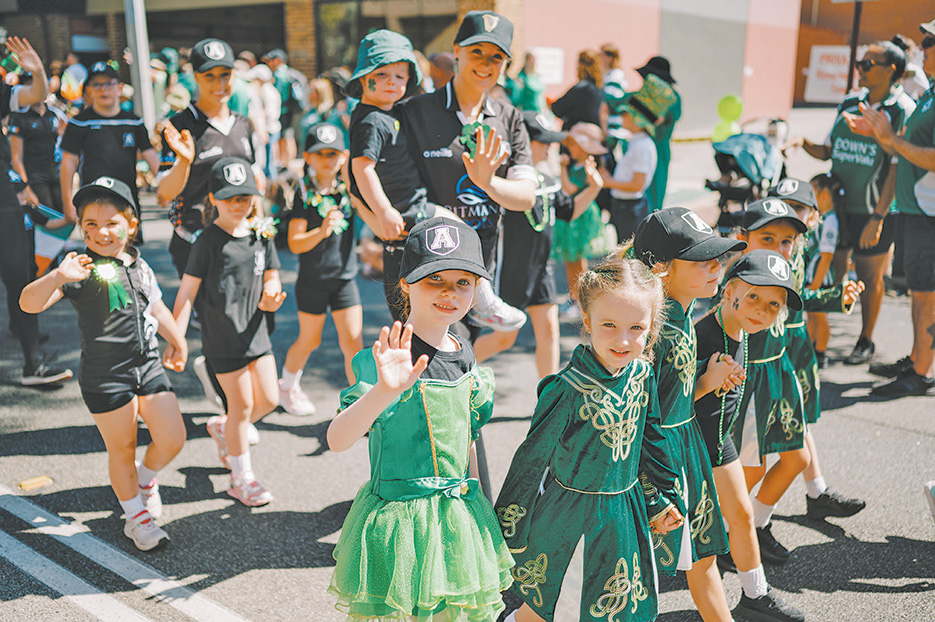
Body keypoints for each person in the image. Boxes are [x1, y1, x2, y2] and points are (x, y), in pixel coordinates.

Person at [327, 217, 513, 620]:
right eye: (434, 279)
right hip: (401, 525)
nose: (450, 292)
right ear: (406, 284)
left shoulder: (463, 350)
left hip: (457, 518)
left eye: (463, 282)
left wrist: (480, 506)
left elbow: (466, 437)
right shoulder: (388, 358)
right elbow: (337, 440)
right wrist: (384, 391)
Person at [495, 255, 682, 622]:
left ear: (651, 327)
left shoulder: (643, 375)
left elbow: (648, 446)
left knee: (613, 608)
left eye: (636, 328)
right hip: (567, 518)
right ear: (587, 320)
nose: (623, 339)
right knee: (548, 609)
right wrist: (504, 533)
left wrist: (660, 499)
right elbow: (530, 462)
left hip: (622, 516)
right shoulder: (565, 389)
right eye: (609, 324)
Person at [20, 176, 187, 551]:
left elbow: (157, 307)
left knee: (173, 437)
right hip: (105, 375)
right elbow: (28, 304)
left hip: (148, 366)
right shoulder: (78, 268)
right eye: (91, 224)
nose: (101, 232)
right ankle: (137, 519)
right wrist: (57, 276)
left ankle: (145, 480)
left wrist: (178, 340)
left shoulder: (139, 265)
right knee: (122, 448)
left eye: (112, 222)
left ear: (132, 224)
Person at [347, 28, 526, 332]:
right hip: (406, 206)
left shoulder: (391, 114)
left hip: (409, 203)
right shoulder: (370, 120)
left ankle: (482, 301)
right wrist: (383, 211)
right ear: (364, 78)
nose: (392, 82)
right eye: (382, 74)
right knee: (459, 230)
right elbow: (360, 169)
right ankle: (485, 302)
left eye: (400, 76)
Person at [732, 199, 864, 565]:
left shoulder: (785, 273)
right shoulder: (736, 279)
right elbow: (717, 324)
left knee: (797, 458)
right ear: (744, 238)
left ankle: (756, 523)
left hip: (780, 374)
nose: (779, 248)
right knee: (751, 468)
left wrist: (838, 297)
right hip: (751, 382)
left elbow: (801, 299)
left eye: (786, 241)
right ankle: (723, 532)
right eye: (767, 238)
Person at [632, 207, 746, 622]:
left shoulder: (681, 316)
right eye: (702, 260)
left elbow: (671, 395)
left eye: (717, 258)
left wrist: (705, 378)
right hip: (658, 458)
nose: (717, 267)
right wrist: (655, 487)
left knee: (701, 556)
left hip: (685, 447)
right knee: (635, 567)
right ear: (660, 268)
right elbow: (645, 412)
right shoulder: (651, 329)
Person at [784, 41, 915, 367]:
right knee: (831, 272)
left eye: (868, 64)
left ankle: (865, 340)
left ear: (891, 70)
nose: (860, 69)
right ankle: (819, 344)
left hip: (874, 211)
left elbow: (898, 167)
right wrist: (803, 143)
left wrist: (878, 217)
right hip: (837, 210)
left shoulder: (902, 109)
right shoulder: (849, 102)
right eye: (859, 63)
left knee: (870, 277)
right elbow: (829, 151)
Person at [693, 250, 806, 622]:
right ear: (728, 291)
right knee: (698, 552)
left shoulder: (740, 331)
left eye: (774, 304)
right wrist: (705, 382)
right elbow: (666, 402)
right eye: (753, 295)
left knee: (742, 516)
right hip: (690, 451)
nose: (762, 309)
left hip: (719, 444)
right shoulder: (700, 336)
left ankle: (756, 595)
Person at [172, 157, 285, 506]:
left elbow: (272, 274)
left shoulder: (261, 234)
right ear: (213, 199)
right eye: (230, 198)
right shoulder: (206, 241)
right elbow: (186, 292)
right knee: (242, 406)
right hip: (221, 337)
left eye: (244, 197)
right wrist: (176, 339)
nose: (238, 204)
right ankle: (241, 479)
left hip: (256, 333)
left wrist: (272, 294)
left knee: (270, 399)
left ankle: (223, 427)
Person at [157, 38, 260, 415]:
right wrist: (184, 162)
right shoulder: (179, 125)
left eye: (225, 74)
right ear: (195, 77)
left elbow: (253, 180)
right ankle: (231, 407)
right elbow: (163, 193)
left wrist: (259, 223)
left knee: (239, 317)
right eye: (209, 76)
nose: (219, 83)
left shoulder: (244, 124)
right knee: (215, 320)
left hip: (239, 241)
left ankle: (234, 399)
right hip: (195, 240)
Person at [844, 18, 935, 398]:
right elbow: (904, 148)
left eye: (929, 42)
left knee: (928, 294)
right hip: (917, 208)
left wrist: (890, 138)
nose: (922, 48)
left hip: (930, 211)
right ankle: (916, 359)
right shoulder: (931, 92)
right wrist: (880, 136)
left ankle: (922, 372)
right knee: (919, 291)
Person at [481, 111, 600, 376]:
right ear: (522, 142)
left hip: (541, 271)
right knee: (504, 338)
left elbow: (569, 211)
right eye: (543, 141)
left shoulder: (547, 180)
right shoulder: (504, 181)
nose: (549, 147)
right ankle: (452, 371)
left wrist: (594, 187)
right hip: (511, 273)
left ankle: (548, 396)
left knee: (549, 332)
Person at [1, 36, 72, 386]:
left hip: (4, 201)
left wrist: (39, 71)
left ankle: (33, 364)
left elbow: (37, 93)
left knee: (20, 276)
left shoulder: (4, 93)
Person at [280, 124, 362, 416]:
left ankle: (358, 404)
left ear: (343, 156)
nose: (327, 160)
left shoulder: (349, 189)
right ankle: (287, 386)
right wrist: (323, 230)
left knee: (353, 343)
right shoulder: (302, 192)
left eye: (333, 154)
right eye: (320, 154)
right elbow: (295, 243)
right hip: (313, 280)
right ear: (307, 157)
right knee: (309, 340)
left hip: (345, 279)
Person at [60, 61, 158, 225]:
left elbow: (149, 153)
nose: (103, 90)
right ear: (89, 90)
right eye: (97, 85)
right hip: (92, 199)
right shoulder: (79, 123)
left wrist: (164, 187)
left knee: (130, 239)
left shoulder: (133, 122)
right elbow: (68, 162)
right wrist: (67, 201)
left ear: (119, 88)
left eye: (108, 84)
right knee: (97, 238)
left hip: (127, 198)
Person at [601, 74, 676, 243]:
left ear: (637, 119)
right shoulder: (636, 142)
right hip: (625, 206)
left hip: (630, 209)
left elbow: (637, 184)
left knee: (628, 252)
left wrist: (609, 182)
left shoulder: (641, 146)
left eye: (626, 114)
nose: (623, 117)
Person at [550, 122, 610, 320]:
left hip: (580, 218)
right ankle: (574, 297)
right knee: (571, 259)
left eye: (573, 144)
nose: (570, 148)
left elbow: (569, 189)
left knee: (577, 260)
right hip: (574, 218)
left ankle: (580, 300)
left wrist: (562, 168)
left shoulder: (585, 167)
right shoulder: (578, 165)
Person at [9, 73, 67, 217]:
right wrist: (26, 188)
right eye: (29, 85)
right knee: (49, 218)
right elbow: (16, 158)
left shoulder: (55, 114)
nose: (34, 88)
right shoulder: (19, 118)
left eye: (37, 83)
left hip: (56, 175)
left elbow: (67, 147)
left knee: (66, 216)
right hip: (35, 178)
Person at [805, 173, 845, 368]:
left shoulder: (830, 221)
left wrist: (815, 285)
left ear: (825, 195)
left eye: (812, 190)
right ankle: (810, 350)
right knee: (812, 316)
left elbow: (826, 257)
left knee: (820, 318)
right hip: (813, 277)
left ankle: (820, 353)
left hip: (821, 279)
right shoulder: (822, 218)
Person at [635, 56, 681, 213]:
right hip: (640, 146)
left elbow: (656, 117)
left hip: (658, 149)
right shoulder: (646, 96)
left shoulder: (671, 99)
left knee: (653, 198)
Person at [550, 49, 606, 131]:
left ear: (581, 66)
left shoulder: (581, 88)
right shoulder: (600, 89)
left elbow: (557, 109)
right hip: (595, 133)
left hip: (577, 133)